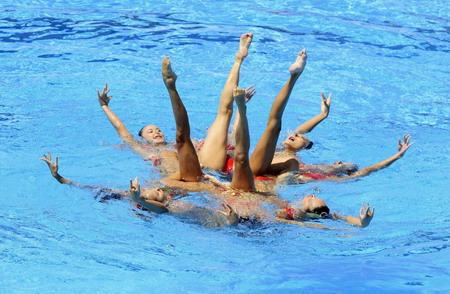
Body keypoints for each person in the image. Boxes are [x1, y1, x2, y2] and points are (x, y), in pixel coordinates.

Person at [158, 58, 374, 229]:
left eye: (300, 138)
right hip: (223, 169)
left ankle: (176, 88)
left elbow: (336, 217)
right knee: (229, 127)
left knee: (208, 145)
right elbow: (302, 131)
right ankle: (287, 75)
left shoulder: (293, 172)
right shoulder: (285, 163)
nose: (295, 135)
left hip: (226, 178)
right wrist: (322, 116)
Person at [39, 152, 239, 226]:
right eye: (159, 192)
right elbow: (162, 209)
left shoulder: (125, 195)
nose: (159, 190)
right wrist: (140, 199)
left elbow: (83, 187)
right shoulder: (174, 208)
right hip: (225, 225)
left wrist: (58, 176)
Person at [277, 134, 414, 184]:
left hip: (286, 179)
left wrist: (398, 155)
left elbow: (370, 169)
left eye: (343, 164)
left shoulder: (330, 177)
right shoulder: (315, 166)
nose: (338, 162)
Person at [276, 194, 375, 228]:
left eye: (312, 199)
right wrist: (362, 223)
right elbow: (345, 218)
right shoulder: (324, 215)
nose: (312, 196)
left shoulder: (296, 213)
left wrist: (363, 222)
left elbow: (275, 217)